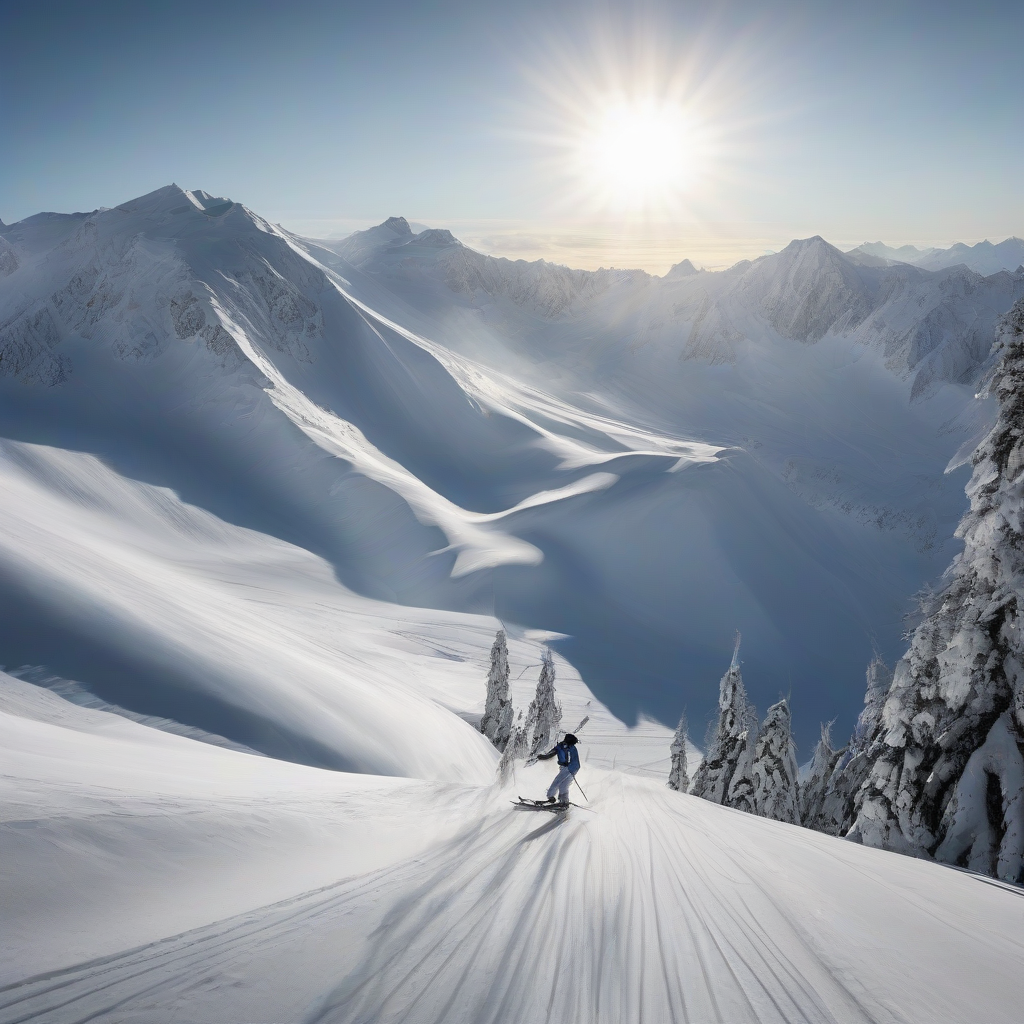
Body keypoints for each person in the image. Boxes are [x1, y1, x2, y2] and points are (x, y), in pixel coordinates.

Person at [537, 733, 580, 806]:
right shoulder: (571, 747)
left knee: (557, 782)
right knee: (564, 785)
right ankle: (564, 801)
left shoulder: (563, 746)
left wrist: (541, 757)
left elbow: (551, 754)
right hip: (574, 768)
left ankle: (551, 797)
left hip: (568, 768)